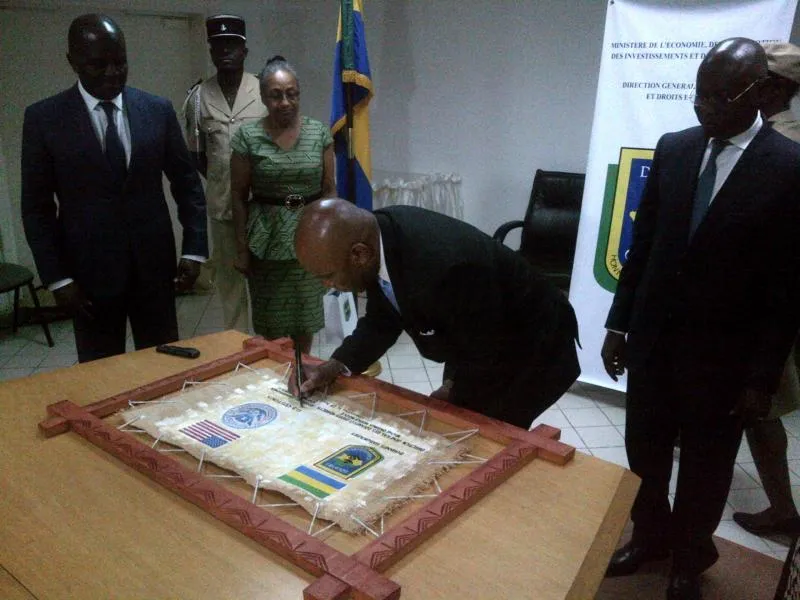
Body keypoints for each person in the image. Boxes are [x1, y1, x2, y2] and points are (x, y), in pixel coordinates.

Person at [600, 38, 800, 600]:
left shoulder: (788, 168)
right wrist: (619, 325)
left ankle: (690, 558)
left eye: (717, 97)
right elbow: (644, 246)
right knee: (645, 454)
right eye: (697, 93)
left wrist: (762, 378)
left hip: (725, 358)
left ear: (760, 93)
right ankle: (650, 538)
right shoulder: (675, 149)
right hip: (655, 342)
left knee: (707, 469)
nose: (701, 107)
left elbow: (787, 289)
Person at [292, 198, 581, 429]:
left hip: (532, 346)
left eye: (327, 275)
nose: (325, 285)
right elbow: (383, 319)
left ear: (359, 255)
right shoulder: (379, 237)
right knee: (459, 420)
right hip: (481, 337)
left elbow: (485, 352)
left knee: (491, 437)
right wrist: (334, 366)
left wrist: (455, 393)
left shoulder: (444, 268)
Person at [21, 14, 208, 363]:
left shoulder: (156, 110)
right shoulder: (44, 120)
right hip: (87, 276)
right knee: (100, 372)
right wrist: (58, 279)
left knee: (162, 364)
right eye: (98, 64)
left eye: (120, 62)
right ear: (72, 62)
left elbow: (187, 184)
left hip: (155, 270)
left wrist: (194, 250)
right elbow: (37, 208)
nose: (112, 73)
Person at [732, 42, 800, 539]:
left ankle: (782, 508)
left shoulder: (782, 150)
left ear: (773, 88)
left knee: (762, 404)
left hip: (771, 306)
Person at [230, 56, 335, 353]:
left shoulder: (319, 134)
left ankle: (302, 375)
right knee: (271, 325)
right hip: (267, 240)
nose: (285, 102)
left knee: (305, 319)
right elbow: (237, 196)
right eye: (276, 95)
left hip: (309, 238)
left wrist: (332, 246)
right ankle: (276, 380)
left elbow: (329, 191)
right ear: (263, 97)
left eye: (292, 93)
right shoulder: (247, 138)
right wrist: (241, 250)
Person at [183, 15, 265, 331]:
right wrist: (225, 183)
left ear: (245, 50)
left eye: (232, 44)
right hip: (222, 208)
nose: (226, 51)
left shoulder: (264, 89)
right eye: (219, 45)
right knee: (230, 281)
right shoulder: (198, 97)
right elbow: (196, 154)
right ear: (211, 51)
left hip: (263, 206)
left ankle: (272, 345)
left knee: (265, 280)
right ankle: (239, 346)